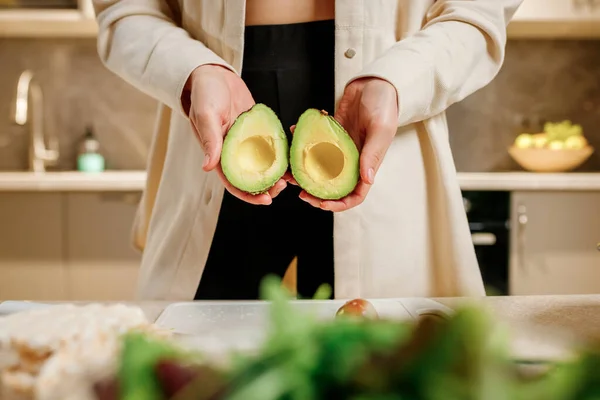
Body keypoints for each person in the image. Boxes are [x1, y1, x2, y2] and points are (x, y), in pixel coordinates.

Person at [93, 0, 523, 301]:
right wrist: (192, 71)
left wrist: (397, 82)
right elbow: (125, 9)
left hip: (381, 116)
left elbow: (477, 12)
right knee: (192, 373)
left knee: (370, 372)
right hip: (215, 114)